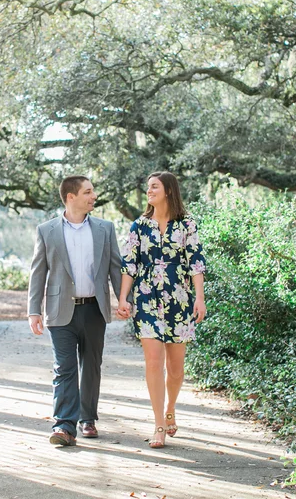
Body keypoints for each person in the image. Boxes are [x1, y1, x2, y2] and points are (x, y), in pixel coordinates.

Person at [28, 175, 123, 447]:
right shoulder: (47, 230)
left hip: (95, 308)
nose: (94, 196)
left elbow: (115, 268)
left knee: (91, 366)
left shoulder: (105, 228)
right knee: (64, 368)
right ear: (71, 197)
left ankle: (87, 418)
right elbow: (38, 272)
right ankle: (64, 426)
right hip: (60, 311)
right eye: (88, 192)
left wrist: (124, 299)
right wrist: (33, 310)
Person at [116, 171, 207, 449]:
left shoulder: (187, 225)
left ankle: (171, 407)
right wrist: (123, 298)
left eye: (154, 187)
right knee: (154, 362)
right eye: (147, 188)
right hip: (146, 300)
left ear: (168, 190)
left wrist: (199, 298)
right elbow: (129, 264)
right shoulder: (139, 226)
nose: (149, 191)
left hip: (179, 301)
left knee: (176, 369)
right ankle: (158, 424)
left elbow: (196, 263)